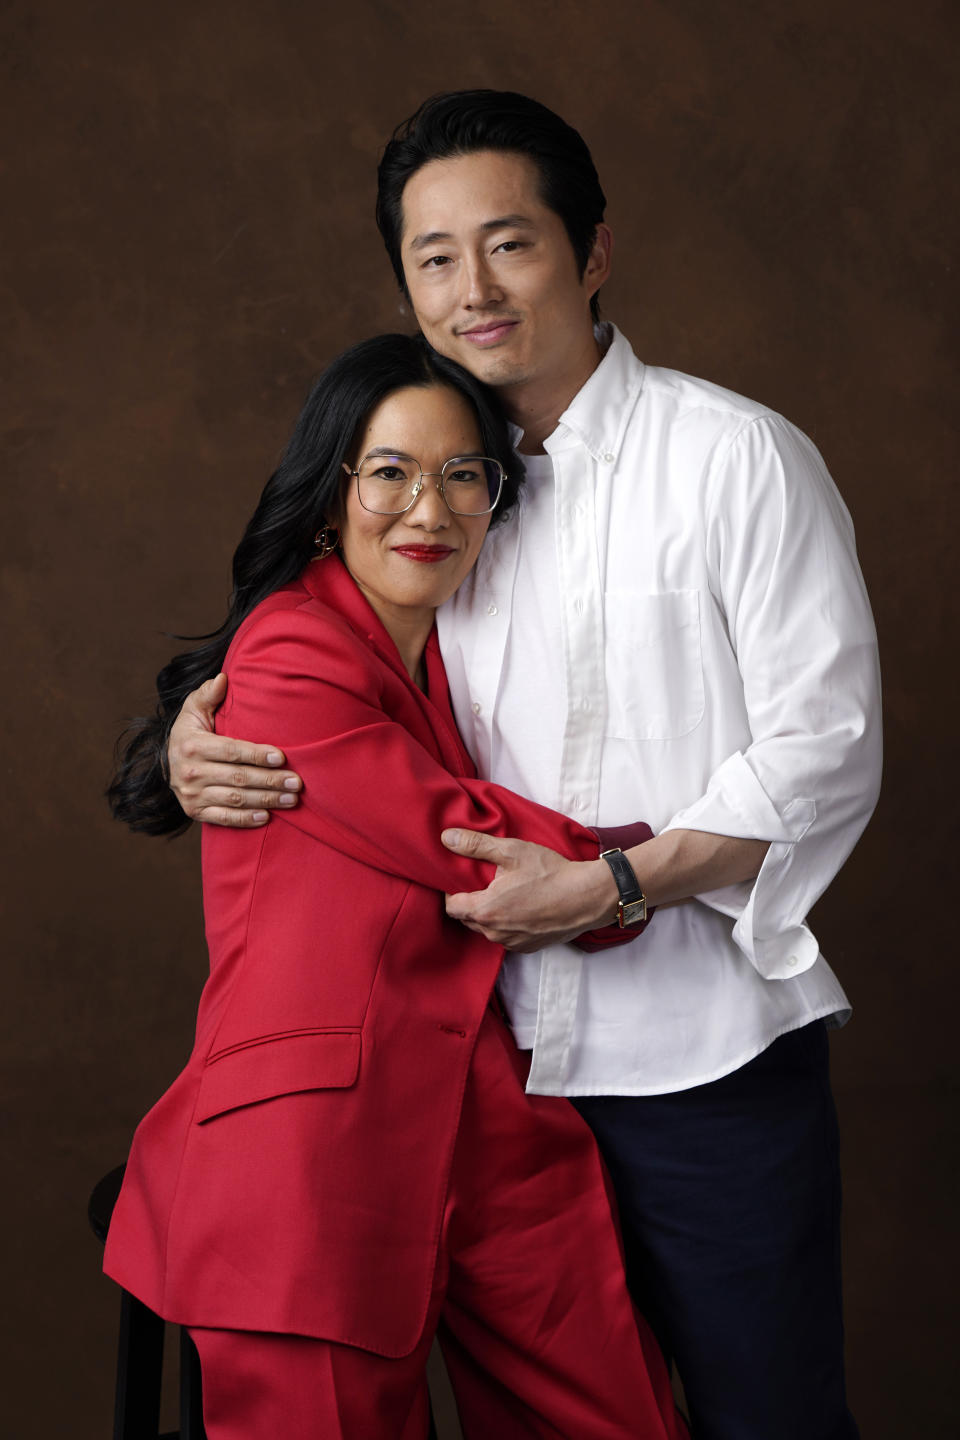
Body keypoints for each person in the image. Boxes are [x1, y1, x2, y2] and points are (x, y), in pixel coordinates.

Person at [166, 93, 882, 1439]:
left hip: (700, 1065)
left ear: (593, 250)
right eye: (435, 258)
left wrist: (614, 885)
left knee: (762, 1415)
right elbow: (313, 669)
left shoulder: (735, 458)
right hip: (479, 1070)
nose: (473, 290)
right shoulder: (429, 489)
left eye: (512, 244)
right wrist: (191, 746)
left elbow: (826, 748)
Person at [104, 333, 687, 1440]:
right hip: (310, 1151)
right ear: (330, 499)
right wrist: (665, 860)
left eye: (463, 475)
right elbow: (459, 835)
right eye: (391, 474)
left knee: (623, 1415)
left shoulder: (465, 659)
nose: (429, 509)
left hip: (487, 1126)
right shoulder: (286, 651)